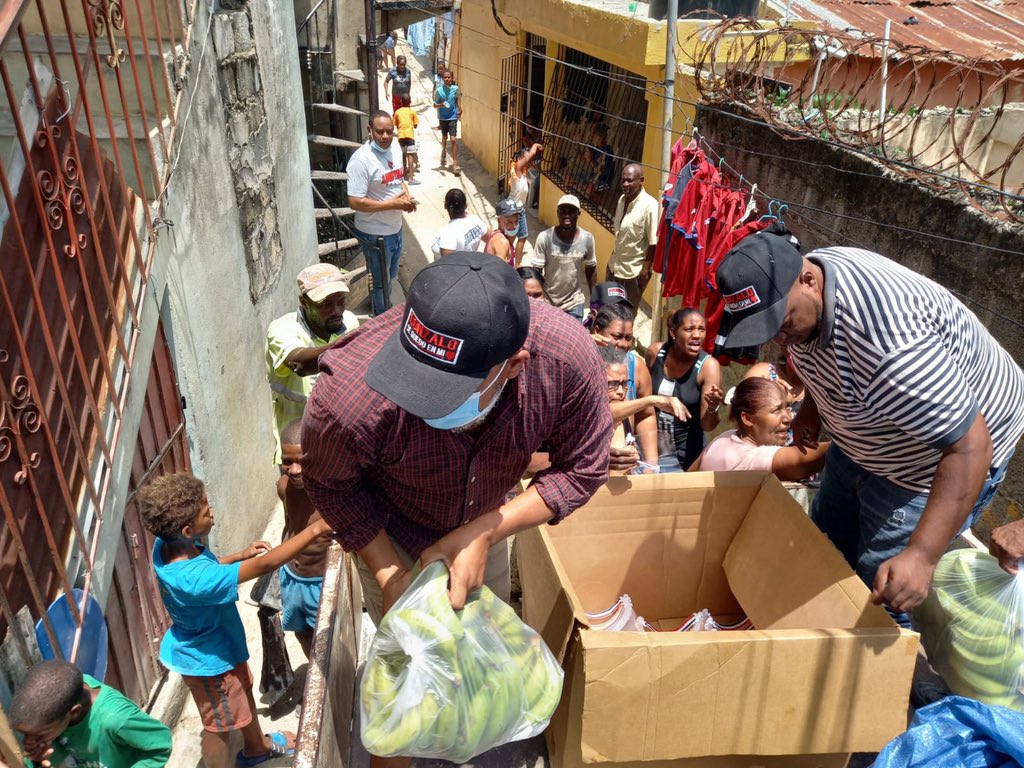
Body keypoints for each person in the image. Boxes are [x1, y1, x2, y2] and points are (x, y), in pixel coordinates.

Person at [300, 253, 611, 768]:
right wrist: (392, 574)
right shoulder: (349, 396)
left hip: (489, 517)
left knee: (467, 670)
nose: (422, 404)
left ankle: (460, 739)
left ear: (514, 367)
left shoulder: (568, 361)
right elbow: (330, 485)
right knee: (401, 690)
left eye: (444, 394)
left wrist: (486, 531)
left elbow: (584, 468)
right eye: (413, 381)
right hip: (391, 531)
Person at [716, 233, 1024, 616]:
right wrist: (816, 407)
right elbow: (817, 350)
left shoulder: (893, 349)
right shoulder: (805, 278)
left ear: (808, 281)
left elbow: (969, 447)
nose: (779, 338)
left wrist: (922, 555)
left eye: (780, 322)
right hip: (864, 436)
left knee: (879, 596)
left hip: (930, 465)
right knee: (822, 553)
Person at [140, 473, 332, 768]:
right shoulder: (195, 581)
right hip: (209, 663)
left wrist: (239, 555)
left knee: (242, 696)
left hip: (223, 648)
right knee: (218, 727)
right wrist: (315, 528)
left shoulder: (167, 546)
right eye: (207, 512)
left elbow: (207, 568)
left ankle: (257, 748)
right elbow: (265, 564)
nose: (212, 511)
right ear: (188, 529)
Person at [266, 263, 359, 462]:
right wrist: (353, 343)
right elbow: (300, 364)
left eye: (341, 302)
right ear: (304, 302)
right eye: (325, 305)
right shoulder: (283, 328)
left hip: (340, 441)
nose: (336, 311)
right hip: (298, 447)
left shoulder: (350, 323)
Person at [10, 660, 172, 768]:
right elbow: (59, 753)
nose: (28, 742)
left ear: (74, 712)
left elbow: (161, 744)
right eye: (25, 735)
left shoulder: (115, 718)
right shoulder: (62, 705)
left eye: (38, 735)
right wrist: (37, 760)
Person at [590, 302, 685, 469]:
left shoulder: (636, 367)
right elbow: (604, 414)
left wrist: (651, 466)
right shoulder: (583, 365)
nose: (624, 344)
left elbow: (645, 416)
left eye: (628, 338)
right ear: (597, 331)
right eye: (617, 336)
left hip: (624, 463)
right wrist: (651, 400)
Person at [347, 111, 418, 316]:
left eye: (389, 132)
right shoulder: (361, 160)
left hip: (395, 228)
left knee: (391, 276)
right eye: (380, 132)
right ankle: (381, 319)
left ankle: (384, 308)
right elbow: (354, 202)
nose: (385, 136)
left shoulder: (394, 148)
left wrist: (406, 195)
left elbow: (398, 178)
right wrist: (393, 204)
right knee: (380, 283)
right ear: (370, 131)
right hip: (374, 234)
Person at [690, 377, 829, 480]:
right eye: (776, 410)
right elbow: (813, 457)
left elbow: (685, 479)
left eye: (787, 407)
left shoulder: (724, 438)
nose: (788, 418)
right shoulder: (752, 458)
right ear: (748, 419)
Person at [277, 420, 335, 659]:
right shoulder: (284, 487)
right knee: (301, 632)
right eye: (287, 461)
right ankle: (312, 669)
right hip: (291, 579)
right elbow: (290, 524)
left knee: (328, 640)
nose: (294, 470)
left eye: (302, 461)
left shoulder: (331, 496)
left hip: (320, 583)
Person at [646, 307, 725, 472]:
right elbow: (643, 398)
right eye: (689, 329)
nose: (696, 335)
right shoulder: (656, 353)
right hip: (651, 444)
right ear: (673, 332)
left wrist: (713, 407)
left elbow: (708, 425)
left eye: (701, 329)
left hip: (687, 452)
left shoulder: (708, 366)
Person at [527, 194, 597, 322]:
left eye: (571, 211)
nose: (566, 215)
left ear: (579, 213)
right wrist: (537, 300)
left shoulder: (587, 239)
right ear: (557, 212)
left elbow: (591, 268)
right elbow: (536, 271)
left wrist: (595, 301)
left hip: (574, 303)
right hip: (548, 302)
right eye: (563, 211)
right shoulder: (545, 238)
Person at [607, 163, 659, 309]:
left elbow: (653, 243)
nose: (625, 184)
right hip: (614, 267)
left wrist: (644, 272)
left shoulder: (650, 206)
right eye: (623, 180)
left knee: (626, 315)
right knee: (609, 310)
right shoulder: (622, 200)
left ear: (641, 180)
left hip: (632, 274)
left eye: (630, 180)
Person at [508, 143, 543, 263]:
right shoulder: (517, 169)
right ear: (519, 160)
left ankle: (513, 262)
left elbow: (532, 160)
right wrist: (536, 145)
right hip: (514, 210)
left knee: (518, 237)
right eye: (526, 158)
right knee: (516, 237)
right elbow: (532, 154)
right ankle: (512, 262)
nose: (528, 161)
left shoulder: (521, 173)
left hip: (517, 209)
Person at [431, 188, 488, 257]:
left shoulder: (448, 233)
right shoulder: (475, 220)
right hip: (473, 262)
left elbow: (447, 263)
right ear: (465, 206)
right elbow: (491, 239)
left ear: (445, 206)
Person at [433, 68, 462, 176]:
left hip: (453, 117)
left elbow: (456, 98)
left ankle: (455, 164)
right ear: (442, 78)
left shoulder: (455, 88)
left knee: (453, 139)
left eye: (448, 77)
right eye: (445, 77)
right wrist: (442, 104)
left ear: (452, 78)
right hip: (443, 118)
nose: (447, 79)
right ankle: (443, 152)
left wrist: (460, 108)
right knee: (444, 137)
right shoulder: (439, 91)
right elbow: (434, 105)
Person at [483, 198, 521, 266]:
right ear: (499, 221)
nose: (514, 226)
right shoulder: (502, 242)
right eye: (509, 222)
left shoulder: (498, 234)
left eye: (516, 221)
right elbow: (499, 272)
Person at [392, 94, 419, 185]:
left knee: (404, 154)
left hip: (401, 136)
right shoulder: (412, 111)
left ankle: (404, 175)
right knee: (410, 155)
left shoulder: (397, 112)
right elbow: (415, 125)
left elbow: (395, 124)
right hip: (410, 136)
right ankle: (411, 178)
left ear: (401, 102)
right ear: (410, 101)